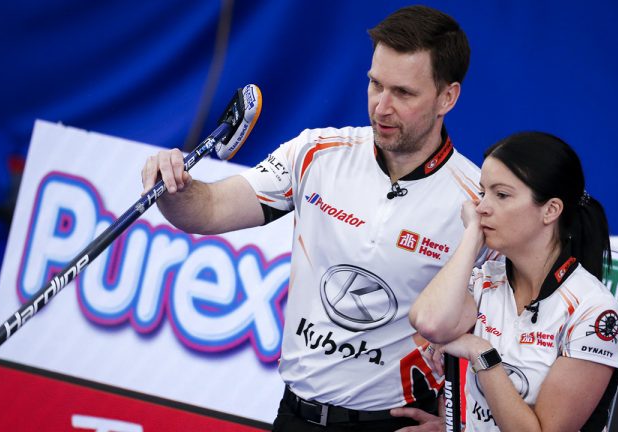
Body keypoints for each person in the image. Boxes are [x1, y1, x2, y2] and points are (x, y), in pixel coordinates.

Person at [142, 5, 488, 431]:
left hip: (394, 423)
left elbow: (511, 333)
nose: (381, 107)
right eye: (375, 84)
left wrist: (460, 426)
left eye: (403, 93)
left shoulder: (480, 200)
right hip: (296, 416)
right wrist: (174, 185)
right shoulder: (316, 153)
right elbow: (208, 210)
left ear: (447, 97)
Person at [406, 132, 618, 431]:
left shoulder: (593, 311)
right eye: (482, 192)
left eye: (501, 195)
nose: (481, 207)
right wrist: (472, 238)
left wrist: (481, 353)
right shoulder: (483, 280)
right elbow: (429, 323)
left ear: (550, 210)